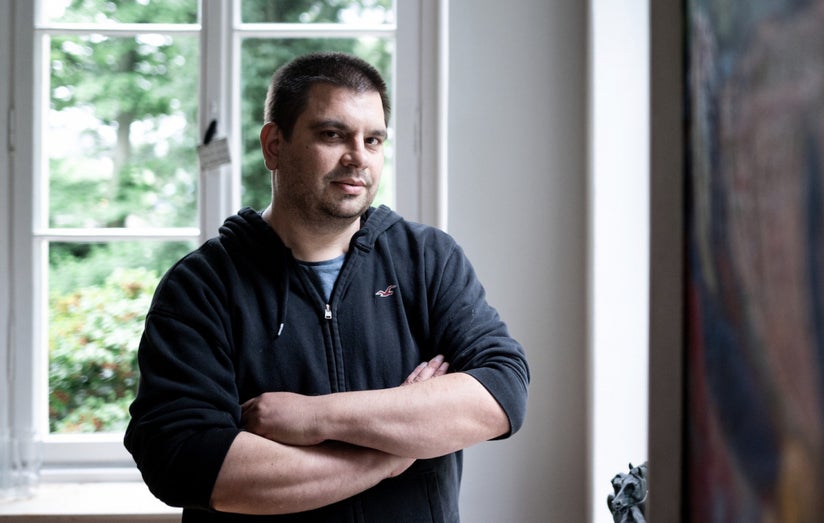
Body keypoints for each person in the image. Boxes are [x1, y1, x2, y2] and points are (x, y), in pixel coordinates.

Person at [123, 51, 530, 522]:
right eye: (333, 135)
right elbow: (188, 464)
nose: (358, 157)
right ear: (274, 145)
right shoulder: (201, 286)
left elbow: (500, 393)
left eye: (373, 139)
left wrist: (316, 417)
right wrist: (390, 455)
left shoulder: (427, 259)